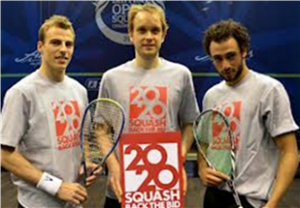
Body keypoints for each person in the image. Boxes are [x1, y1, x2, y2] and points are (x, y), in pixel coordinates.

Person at [97, 3, 199, 208]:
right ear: (131, 34)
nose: (149, 37)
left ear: (164, 34)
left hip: (164, 186)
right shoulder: (112, 78)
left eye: (155, 30)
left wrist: (178, 158)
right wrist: (114, 167)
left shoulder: (181, 75)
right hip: (122, 188)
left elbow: (190, 123)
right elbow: (101, 129)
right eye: (142, 30)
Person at [0, 15, 100, 208]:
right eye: (55, 42)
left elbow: (82, 139)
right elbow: (4, 155)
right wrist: (55, 186)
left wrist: (88, 162)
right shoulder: (21, 93)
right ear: (40, 47)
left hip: (73, 200)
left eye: (68, 44)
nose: (63, 49)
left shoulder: (79, 90)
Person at [198, 19, 299, 208]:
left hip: (253, 200)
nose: (225, 65)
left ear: (244, 51)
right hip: (215, 196)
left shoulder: (269, 90)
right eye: (218, 59)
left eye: (231, 56)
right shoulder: (211, 96)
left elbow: (290, 151)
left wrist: (273, 202)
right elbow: (205, 143)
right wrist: (203, 168)